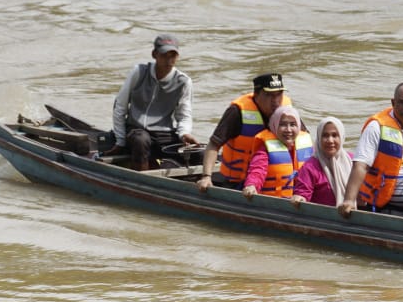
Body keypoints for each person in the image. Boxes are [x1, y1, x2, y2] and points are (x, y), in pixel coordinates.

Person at [338, 82, 403, 217]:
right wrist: (349, 200)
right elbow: (360, 165)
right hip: (383, 204)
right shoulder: (376, 126)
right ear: (393, 102)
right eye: (402, 102)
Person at [111, 34, 196, 170]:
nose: (169, 60)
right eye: (164, 55)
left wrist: (184, 134)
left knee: (199, 154)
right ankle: (141, 181)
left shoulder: (183, 81)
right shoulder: (139, 72)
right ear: (154, 54)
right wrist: (120, 140)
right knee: (141, 140)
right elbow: (120, 106)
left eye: (172, 55)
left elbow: (184, 115)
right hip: (136, 131)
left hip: (164, 135)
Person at [197, 72, 292, 193]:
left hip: (278, 185)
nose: (276, 100)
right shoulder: (237, 112)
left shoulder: (287, 111)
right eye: (269, 95)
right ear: (256, 94)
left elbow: (303, 140)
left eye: (279, 94)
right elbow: (213, 145)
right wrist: (206, 177)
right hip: (238, 184)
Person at [242, 106, 313, 200]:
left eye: (292, 125)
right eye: (283, 125)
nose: (288, 130)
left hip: (300, 200)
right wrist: (252, 185)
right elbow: (257, 170)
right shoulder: (265, 150)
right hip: (274, 202)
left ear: (299, 127)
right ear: (274, 126)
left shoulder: (306, 146)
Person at [291, 116, 353, 206]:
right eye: (325, 135)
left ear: (342, 137)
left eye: (335, 135)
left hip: (350, 215)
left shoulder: (352, 161)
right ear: (319, 138)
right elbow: (302, 193)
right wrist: (299, 198)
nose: (330, 140)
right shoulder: (310, 167)